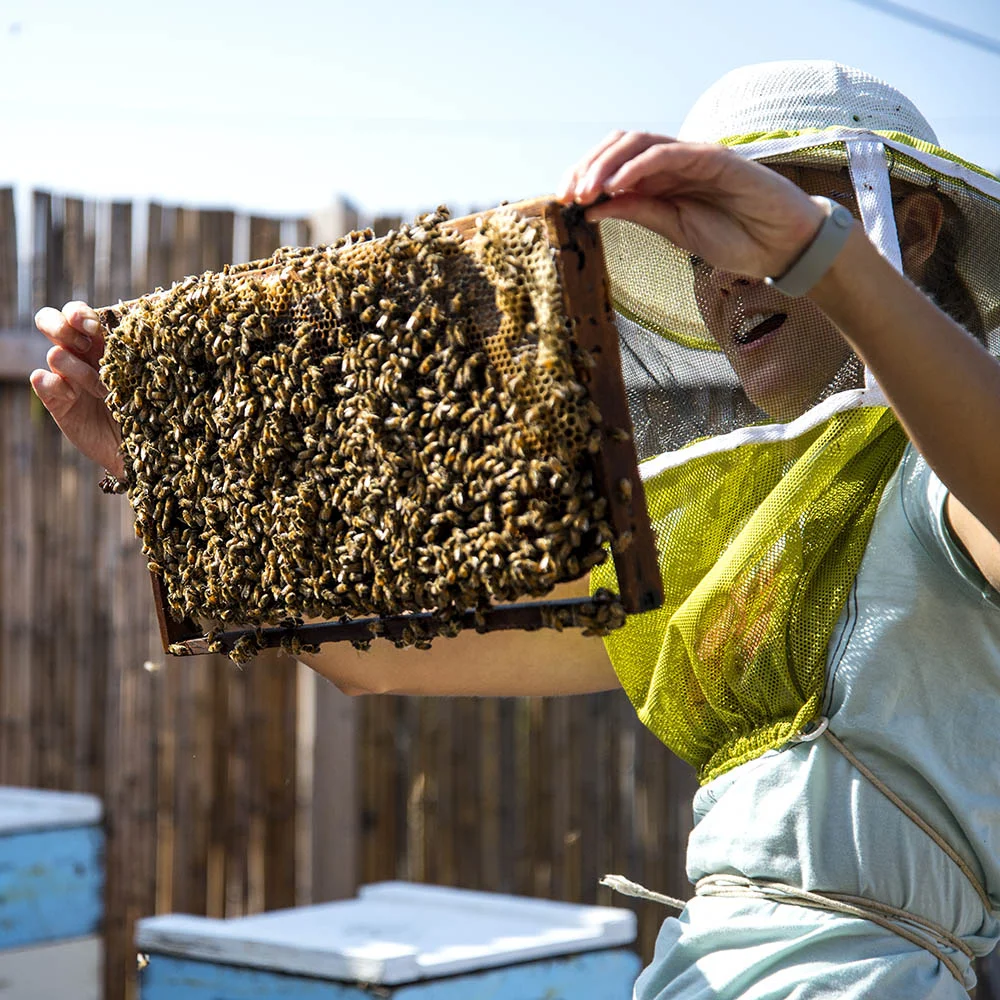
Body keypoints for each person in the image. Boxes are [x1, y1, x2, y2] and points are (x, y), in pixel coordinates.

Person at [32, 60, 1000, 996]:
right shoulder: (735, 530)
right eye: (702, 260)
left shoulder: (942, 487)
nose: (726, 282)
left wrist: (820, 254)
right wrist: (165, 473)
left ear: (909, 228)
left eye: (752, 243)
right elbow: (369, 659)